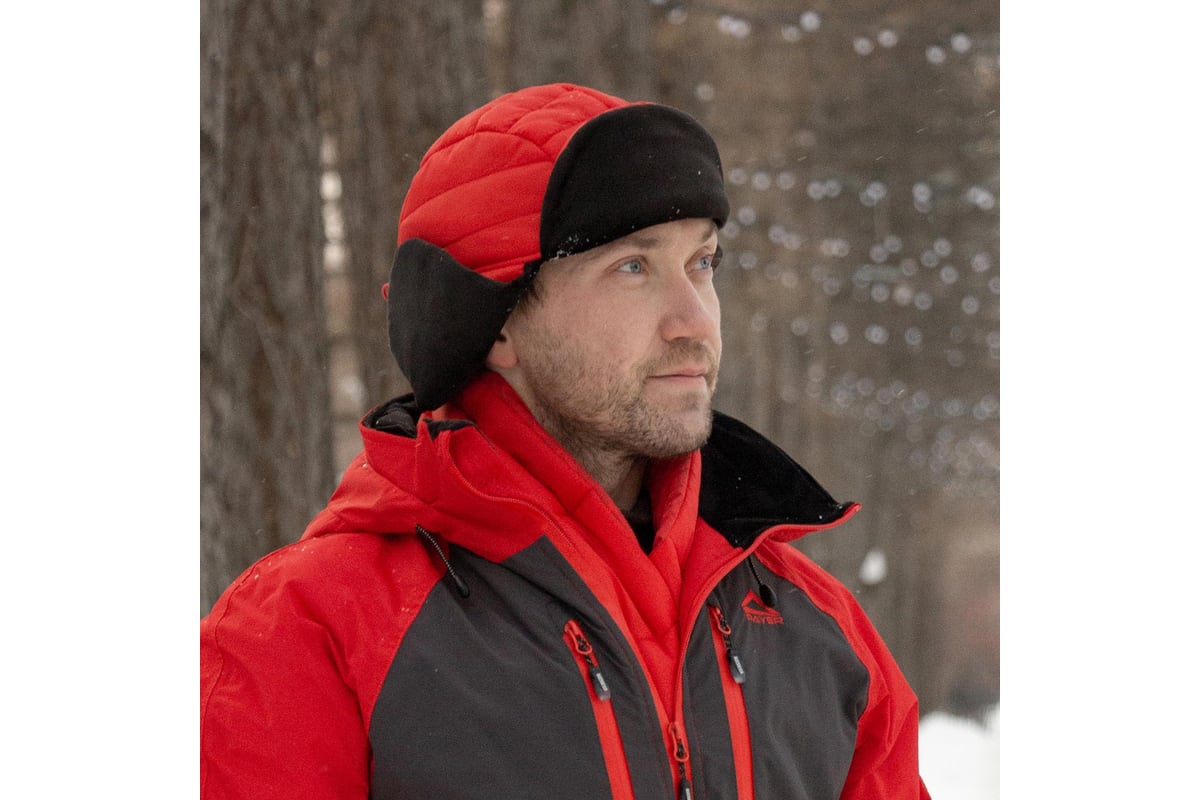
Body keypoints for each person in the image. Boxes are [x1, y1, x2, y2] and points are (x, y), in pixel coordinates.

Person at [200, 82, 931, 800]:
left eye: (702, 263)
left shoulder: (817, 630)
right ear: (497, 324)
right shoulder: (313, 632)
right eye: (633, 268)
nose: (694, 322)